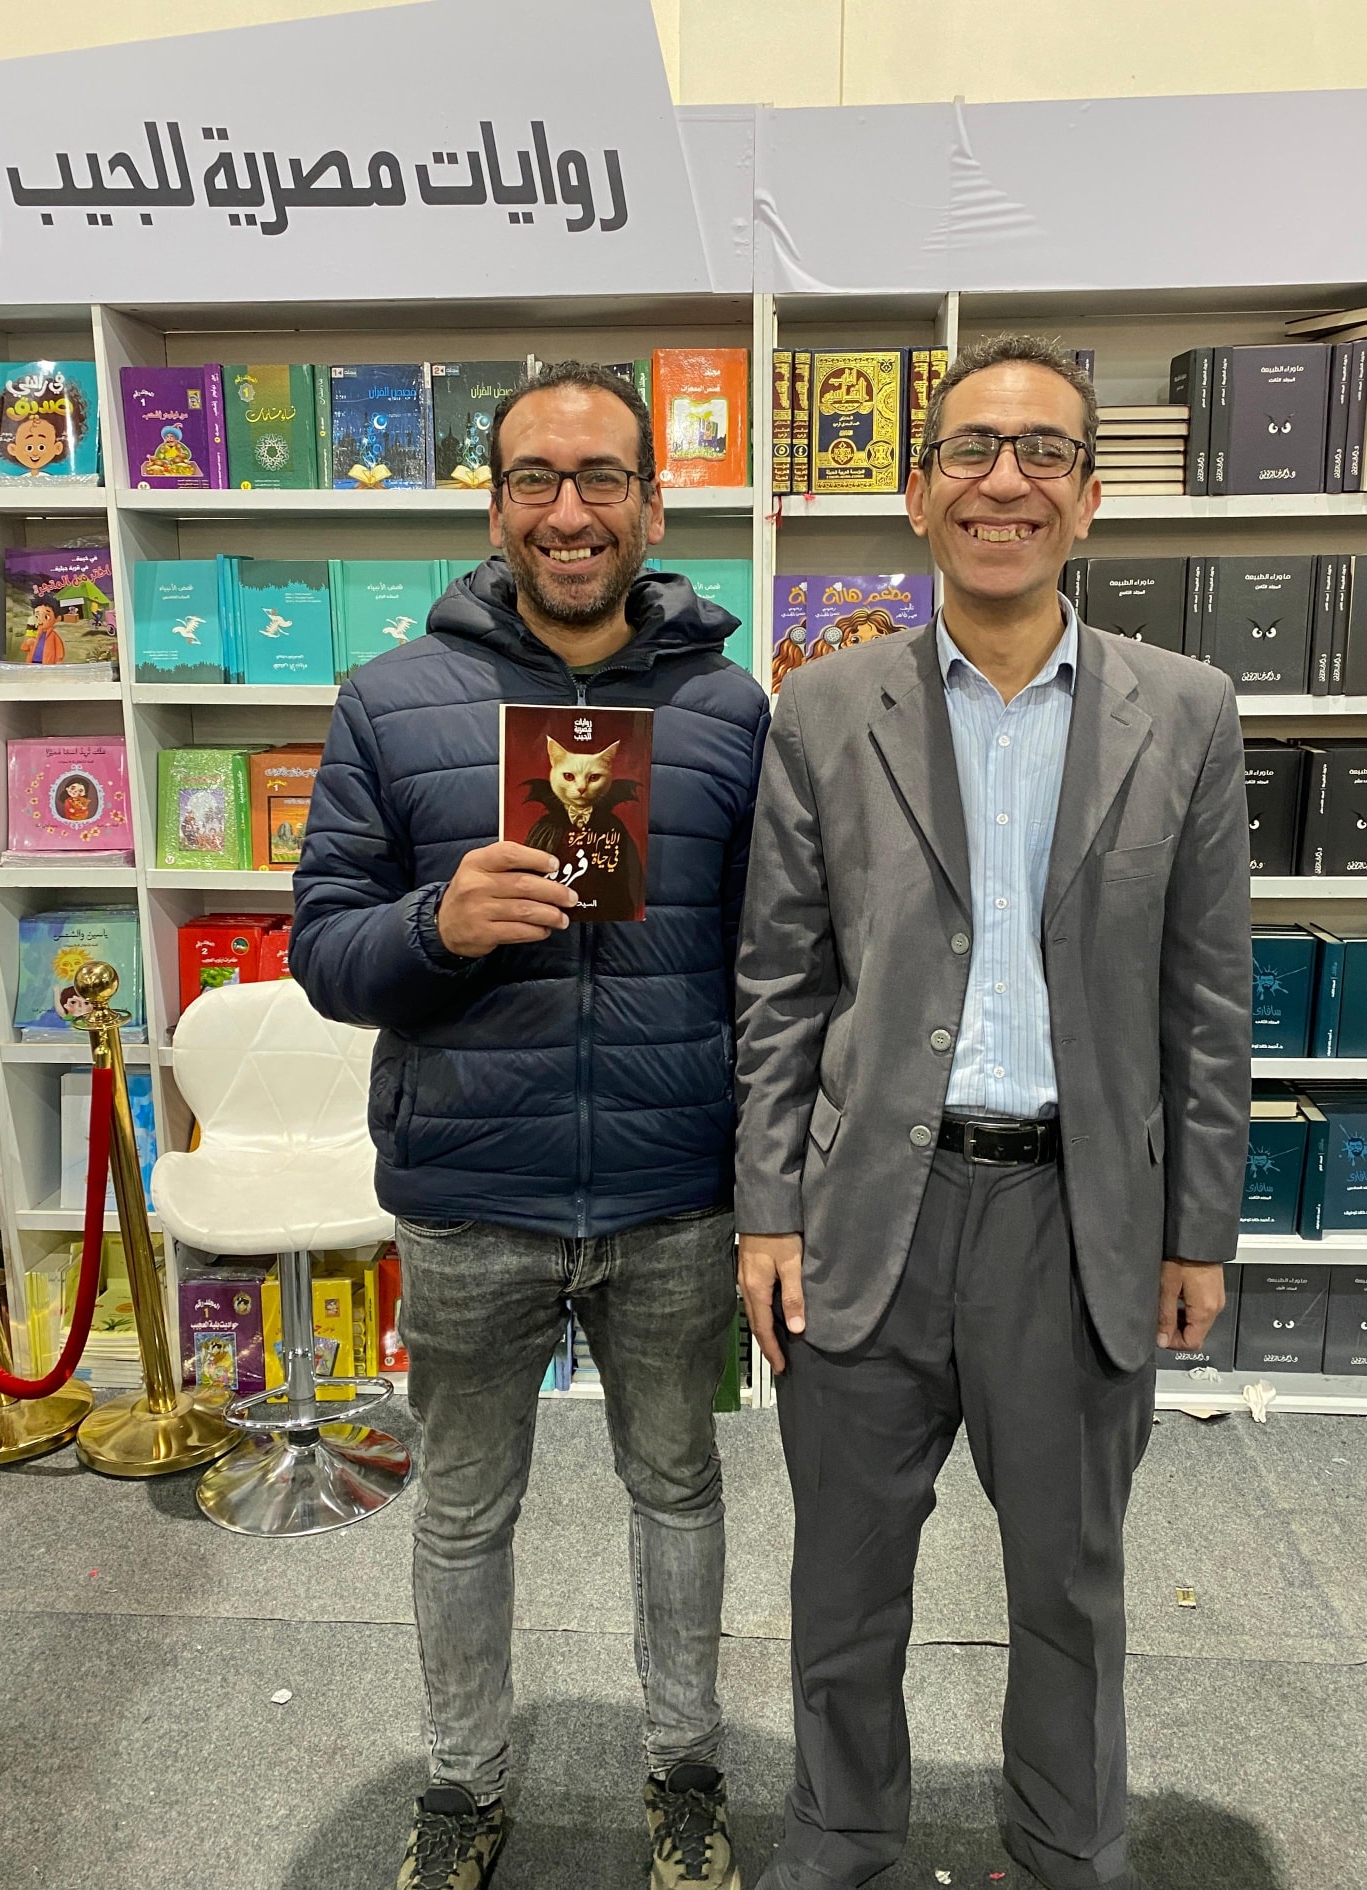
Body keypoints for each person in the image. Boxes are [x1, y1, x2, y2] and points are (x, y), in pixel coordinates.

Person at [734, 332, 1251, 1890]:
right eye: (970, 448)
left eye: (1043, 452)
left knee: (1071, 1591)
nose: (1003, 479)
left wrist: (1199, 1228)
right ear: (918, 493)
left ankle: (1067, 1849)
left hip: (1078, 1219)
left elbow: (1207, 993)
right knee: (844, 1587)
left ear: (1089, 500)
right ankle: (841, 1842)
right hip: (864, 1223)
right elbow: (779, 983)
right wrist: (766, 1207)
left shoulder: (1188, 709)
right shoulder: (822, 707)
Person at [291, 360, 767, 1890]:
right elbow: (322, 949)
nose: (570, 510)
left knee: (678, 1489)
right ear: (493, 505)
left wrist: (769, 1179)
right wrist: (433, 923)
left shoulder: (730, 711)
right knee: (462, 1508)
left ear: (653, 502)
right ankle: (462, 1783)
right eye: (535, 480)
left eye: (601, 477)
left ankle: (685, 1767)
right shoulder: (388, 702)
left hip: (672, 1189)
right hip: (468, 1190)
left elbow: (776, 960)